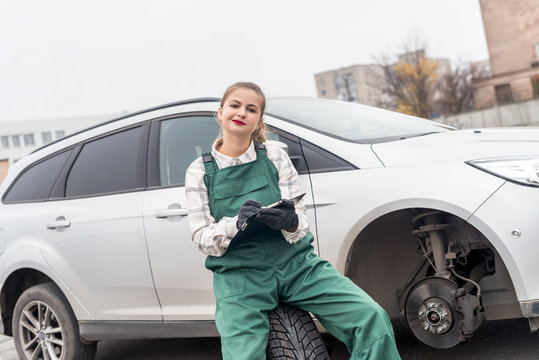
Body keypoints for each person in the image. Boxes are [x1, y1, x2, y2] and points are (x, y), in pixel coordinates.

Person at [185, 81, 401, 360]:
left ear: (258, 120)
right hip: (240, 278)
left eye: (251, 109)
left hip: (297, 265)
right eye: (235, 105)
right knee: (243, 356)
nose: (241, 113)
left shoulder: (275, 155)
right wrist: (235, 223)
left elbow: (300, 222)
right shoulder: (200, 171)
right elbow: (201, 237)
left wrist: (289, 221)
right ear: (220, 112)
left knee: (371, 318)